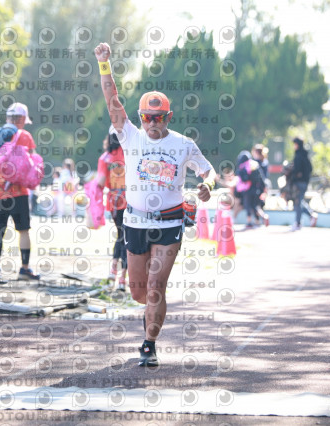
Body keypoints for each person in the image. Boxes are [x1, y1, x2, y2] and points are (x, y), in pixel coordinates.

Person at [95, 42, 216, 367]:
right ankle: (149, 316)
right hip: (135, 222)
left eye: (158, 118)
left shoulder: (183, 144)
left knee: (155, 288)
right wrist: (104, 63)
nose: (152, 123)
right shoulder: (130, 136)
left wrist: (207, 185)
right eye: (147, 118)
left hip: (169, 223)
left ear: (168, 117)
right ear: (140, 118)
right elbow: (111, 98)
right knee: (138, 292)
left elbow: (209, 170)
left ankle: (149, 344)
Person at [0, 102, 40, 281]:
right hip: (18, 192)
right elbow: (32, 162)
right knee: (23, 230)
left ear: (7, 118)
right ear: (22, 119)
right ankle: (24, 269)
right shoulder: (25, 136)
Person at [96, 133, 127, 290]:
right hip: (131, 200)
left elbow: (100, 182)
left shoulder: (105, 158)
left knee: (121, 235)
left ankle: (113, 271)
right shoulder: (129, 153)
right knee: (127, 238)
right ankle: (122, 278)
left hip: (114, 201)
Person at [290, 137, 317, 230]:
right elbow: (310, 169)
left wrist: (295, 176)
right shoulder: (305, 155)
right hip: (305, 182)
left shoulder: (298, 156)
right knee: (299, 201)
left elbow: (297, 170)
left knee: (298, 202)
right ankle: (311, 215)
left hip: (299, 183)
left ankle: (298, 222)